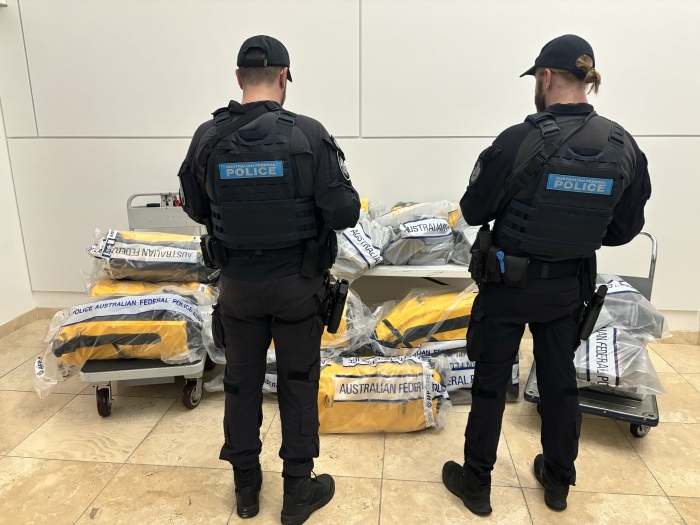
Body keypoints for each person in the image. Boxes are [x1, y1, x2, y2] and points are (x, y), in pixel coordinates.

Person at [442, 34, 651, 514]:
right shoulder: (624, 147)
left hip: (506, 284)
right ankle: (557, 483)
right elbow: (623, 229)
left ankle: (477, 484)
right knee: (560, 383)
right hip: (566, 287)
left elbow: (474, 210)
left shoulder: (519, 139)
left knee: (492, 382)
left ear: (546, 77)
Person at [177, 35, 360, 524]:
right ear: (284, 79)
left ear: (238, 79)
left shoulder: (207, 138)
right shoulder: (308, 134)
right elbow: (344, 212)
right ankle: (298, 490)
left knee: (241, 383)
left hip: (237, 287)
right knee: (299, 382)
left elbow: (196, 207)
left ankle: (246, 491)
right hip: (298, 286)